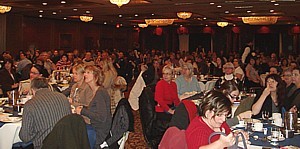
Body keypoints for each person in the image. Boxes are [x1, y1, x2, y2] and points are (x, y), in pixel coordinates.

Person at [19, 77, 71, 149]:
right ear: (48, 86)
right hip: (66, 142)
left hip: (44, 145)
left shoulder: (30, 104)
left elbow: (25, 137)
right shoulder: (63, 97)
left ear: (32, 90)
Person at [75, 65, 112, 149]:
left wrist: (82, 111)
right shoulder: (96, 90)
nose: (85, 74)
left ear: (96, 76)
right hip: (96, 126)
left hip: (99, 131)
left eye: (88, 72)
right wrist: (83, 107)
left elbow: (102, 117)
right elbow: (95, 109)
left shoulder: (100, 93)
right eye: (84, 72)